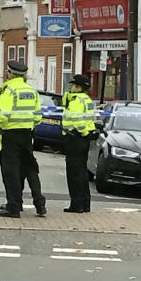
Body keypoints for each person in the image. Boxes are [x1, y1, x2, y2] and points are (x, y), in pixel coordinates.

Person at [0, 60, 45, 218]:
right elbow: (38, 116)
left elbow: (2, 117)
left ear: (10, 73)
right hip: (27, 135)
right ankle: (40, 204)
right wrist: (28, 124)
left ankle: (13, 207)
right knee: (30, 168)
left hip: (10, 135)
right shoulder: (31, 91)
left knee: (10, 172)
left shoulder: (9, 90)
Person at [61, 74, 96, 213]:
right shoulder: (87, 100)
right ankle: (85, 203)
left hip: (75, 138)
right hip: (84, 141)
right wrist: (88, 132)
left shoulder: (76, 100)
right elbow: (89, 120)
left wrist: (83, 131)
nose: (71, 88)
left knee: (74, 174)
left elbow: (77, 120)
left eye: (74, 85)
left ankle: (76, 205)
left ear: (79, 87)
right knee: (82, 172)